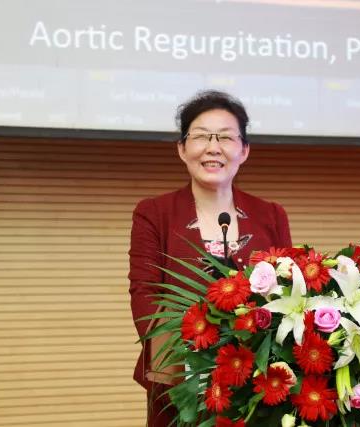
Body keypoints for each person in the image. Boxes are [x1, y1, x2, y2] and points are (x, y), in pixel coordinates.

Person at [128, 90, 292, 426]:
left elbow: (289, 295)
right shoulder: (154, 213)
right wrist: (195, 357)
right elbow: (144, 296)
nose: (213, 147)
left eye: (226, 137)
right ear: (182, 148)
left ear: (244, 150)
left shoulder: (271, 215)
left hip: (256, 385)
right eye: (201, 136)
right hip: (179, 385)